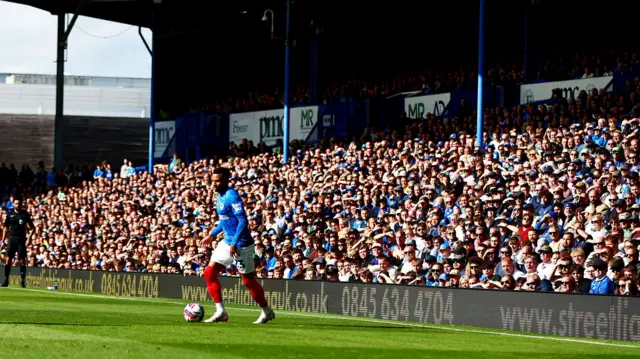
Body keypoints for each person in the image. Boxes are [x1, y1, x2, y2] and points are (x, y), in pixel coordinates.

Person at [199, 167, 275, 324]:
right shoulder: (219, 197)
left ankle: (267, 311)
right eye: (213, 181)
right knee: (209, 273)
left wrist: (234, 243)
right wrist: (212, 234)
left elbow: (242, 221)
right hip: (228, 241)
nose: (214, 184)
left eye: (218, 181)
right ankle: (221, 311)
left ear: (226, 180)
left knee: (247, 281)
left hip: (241, 244)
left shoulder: (232, 196)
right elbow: (224, 220)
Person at [2, 199, 34, 288]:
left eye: (19, 203)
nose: (18, 205)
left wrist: (29, 238)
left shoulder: (24, 214)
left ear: (21, 204)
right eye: (16, 203)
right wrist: (3, 240)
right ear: (13, 204)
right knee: (8, 260)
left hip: (21, 240)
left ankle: (22, 281)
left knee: (22, 261)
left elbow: (32, 228)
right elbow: (6, 228)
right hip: (12, 239)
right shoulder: (10, 214)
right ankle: (6, 280)